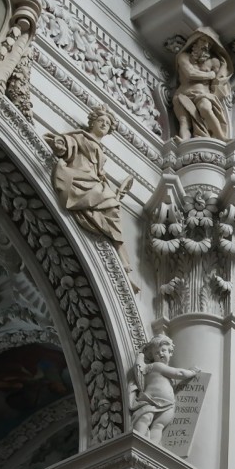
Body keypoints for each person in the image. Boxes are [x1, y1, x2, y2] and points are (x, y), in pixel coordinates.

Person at [44, 107, 138, 290]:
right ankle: (124, 267)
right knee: (112, 209)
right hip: (80, 181)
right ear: (92, 122)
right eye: (101, 120)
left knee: (113, 213)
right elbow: (68, 142)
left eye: (108, 123)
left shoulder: (100, 150)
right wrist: (60, 143)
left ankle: (124, 267)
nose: (104, 124)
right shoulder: (81, 137)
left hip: (93, 183)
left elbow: (99, 173)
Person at [130, 335, 203, 442]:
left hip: (169, 404)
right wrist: (192, 372)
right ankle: (136, 441)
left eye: (163, 350)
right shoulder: (156, 366)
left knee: (159, 426)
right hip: (151, 401)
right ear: (152, 356)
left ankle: (152, 447)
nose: (161, 353)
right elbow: (179, 373)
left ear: (170, 352)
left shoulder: (168, 375)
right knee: (145, 417)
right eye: (157, 352)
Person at [173, 30, 232, 141]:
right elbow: (190, 74)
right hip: (183, 94)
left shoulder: (214, 62)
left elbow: (217, 80)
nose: (206, 45)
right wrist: (210, 74)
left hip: (202, 95)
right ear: (195, 41)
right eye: (203, 40)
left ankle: (221, 137)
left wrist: (222, 69)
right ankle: (184, 141)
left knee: (205, 108)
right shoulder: (183, 57)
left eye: (209, 43)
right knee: (184, 121)